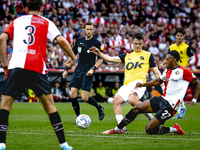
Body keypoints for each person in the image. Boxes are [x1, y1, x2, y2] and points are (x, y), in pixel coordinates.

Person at [0, 0, 76, 150]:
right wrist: (73, 58)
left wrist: (4, 62)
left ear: (27, 8)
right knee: (50, 107)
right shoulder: (46, 22)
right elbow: (60, 40)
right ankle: (64, 145)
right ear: (42, 8)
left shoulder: (16, 21)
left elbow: (2, 38)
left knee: (5, 106)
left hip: (16, 66)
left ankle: (1, 144)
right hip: (36, 67)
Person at [103, 50, 200, 135]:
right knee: (136, 109)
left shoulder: (184, 71)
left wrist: (194, 99)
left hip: (170, 106)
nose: (165, 61)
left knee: (149, 129)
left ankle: (174, 129)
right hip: (162, 99)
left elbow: (198, 84)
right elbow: (158, 81)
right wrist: (143, 84)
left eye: (167, 59)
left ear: (174, 60)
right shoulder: (167, 71)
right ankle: (117, 129)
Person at [89, 33, 163, 133]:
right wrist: (99, 53)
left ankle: (151, 118)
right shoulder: (127, 56)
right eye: (135, 43)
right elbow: (110, 59)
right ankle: (122, 129)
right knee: (116, 101)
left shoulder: (148, 55)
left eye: (139, 44)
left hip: (139, 83)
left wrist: (162, 85)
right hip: (127, 84)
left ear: (143, 44)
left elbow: (156, 72)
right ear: (132, 43)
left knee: (132, 101)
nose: (137, 46)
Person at [62, 22, 105, 123]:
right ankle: (78, 118)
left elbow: (101, 60)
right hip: (78, 69)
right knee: (72, 94)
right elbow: (72, 56)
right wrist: (66, 69)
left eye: (91, 29)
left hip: (88, 70)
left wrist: (93, 68)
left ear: (93, 30)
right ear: (84, 30)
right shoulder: (79, 41)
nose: (89, 31)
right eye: (87, 29)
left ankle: (99, 107)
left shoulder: (97, 43)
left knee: (84, 97)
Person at [159, 28, 196, 119]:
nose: (179, 37)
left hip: (182, 73)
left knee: (179, 92)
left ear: (183, 37)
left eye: (181, 35)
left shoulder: (186, 47)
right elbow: (167, 58)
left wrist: (186, 67)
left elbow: (193, 59)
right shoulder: (171, 47)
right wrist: (162, 63)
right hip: (172, 71)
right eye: (178, 35)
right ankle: (180, 109)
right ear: (175, 36)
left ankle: (181, 109)